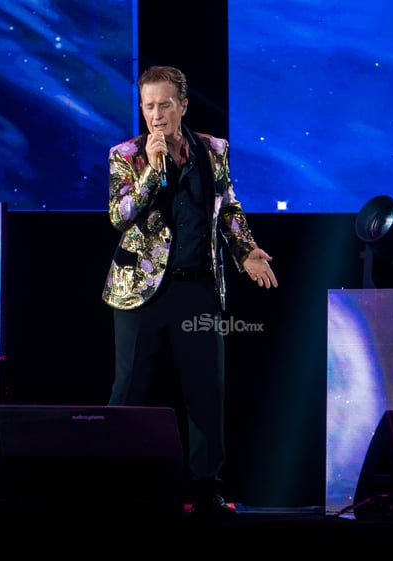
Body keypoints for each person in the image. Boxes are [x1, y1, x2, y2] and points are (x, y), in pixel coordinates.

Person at [101, 65, 278, 516]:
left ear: (182, 105)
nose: (155, 115)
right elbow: (119, 216)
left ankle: (206, 489)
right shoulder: (126, 154)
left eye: (164, 105)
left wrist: (246, 253)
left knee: (205, 392)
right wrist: (152, 171)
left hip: (197, 287)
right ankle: (113, 484)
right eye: (148, 106)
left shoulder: (213, 150)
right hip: (141, 292)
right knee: (129, 390)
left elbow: (228, 208)